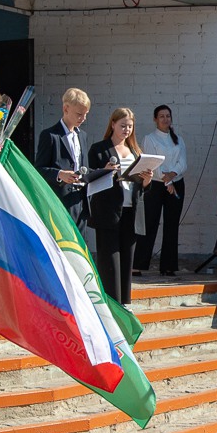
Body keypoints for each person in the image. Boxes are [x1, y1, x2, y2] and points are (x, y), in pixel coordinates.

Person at [85, 107, 150, 305]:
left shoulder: (135, 151)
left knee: (127, 262)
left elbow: (141, 187)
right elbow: (91, 179)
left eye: (130, 126)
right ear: (112, 124)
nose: (126, 130)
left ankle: (125, 305)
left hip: (131, 212)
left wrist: (146, 181)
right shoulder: (99, 149)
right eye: (123, 126)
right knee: (109, 262)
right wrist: (104, 171)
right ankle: (111, 305)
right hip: (108, 213)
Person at [136, 105, 187, 277]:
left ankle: (168, 265)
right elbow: (152, 163)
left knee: (172, 225)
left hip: (176, 182)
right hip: (157, 184)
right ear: (155, 119)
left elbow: (183, 163)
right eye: (161, 116)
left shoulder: (178, 139)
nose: (165, 119)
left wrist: (172, 176)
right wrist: (167, 181)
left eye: (168, 116)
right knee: (151, 223)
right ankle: (139, 264)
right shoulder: (150, 139)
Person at [35, 88, 93, 228]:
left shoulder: (82, 136)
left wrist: (103, 171)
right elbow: (38, 170)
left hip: (80, 200)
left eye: (85, 114)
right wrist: (60, 174)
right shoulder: (50, 136)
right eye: (79, 114)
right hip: (60, 201)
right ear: (66, 108)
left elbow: (83, 167)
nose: (83, 118)